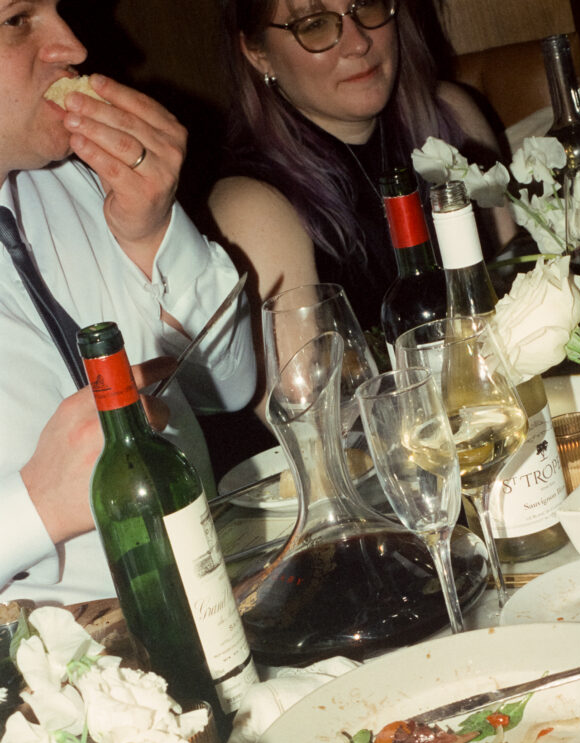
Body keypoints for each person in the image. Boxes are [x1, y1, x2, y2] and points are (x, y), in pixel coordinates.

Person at [0, 0, 256, 606]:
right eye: (16, 21)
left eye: (58, 10)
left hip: (218, 586)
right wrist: (36, 506)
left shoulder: (77, 177)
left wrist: (151, 232)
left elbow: (229, 384)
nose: (71, 47)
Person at [208, 0, 517, 403]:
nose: (358, 42)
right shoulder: (251, 204)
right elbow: (315, 426)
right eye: (314, 24)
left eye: (366, 4)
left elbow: (518, 293)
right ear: (258, 53)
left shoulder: (453, 116)